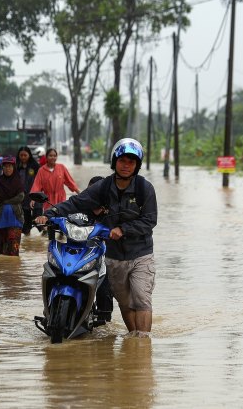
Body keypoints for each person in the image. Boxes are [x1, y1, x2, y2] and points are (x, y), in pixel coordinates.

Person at [36, 138, 157, 337]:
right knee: (125, 303)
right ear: (114, 162)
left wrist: (123, 229)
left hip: (140, 254)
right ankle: (133, 343)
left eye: (131, 162)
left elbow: (150, 220)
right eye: (122, 160)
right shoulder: (103, 187)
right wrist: (50, 214)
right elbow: (76, 202)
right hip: (114, 256)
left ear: (137, 166)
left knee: (141, 299)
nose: (126, 165)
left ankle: (141, 347)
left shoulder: (145, 189)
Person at [0, 156, 25, 256]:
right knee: (0, 253)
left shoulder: (18, 181)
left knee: (13, 252)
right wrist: (7, 199)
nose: (7, 169)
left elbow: (21, 197)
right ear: (2, 168)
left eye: (10, 166)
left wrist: (5, 200)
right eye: (5, 167)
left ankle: (12, 271)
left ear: (14, 168)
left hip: (15, 219)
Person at [29, 147, 79, 212]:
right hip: (48, 200)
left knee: (61, 217)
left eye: (55, 156)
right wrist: (33, 199)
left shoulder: (61, 167)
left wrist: (79, 192)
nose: (53, 157)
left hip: (61, 198)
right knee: (49, 217)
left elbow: (69, 181)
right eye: (50, 156)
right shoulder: (41, 170)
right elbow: (37, 185)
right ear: (46, 157)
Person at [16, 146, 40, 236]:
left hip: (35, 195)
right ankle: (27, 237)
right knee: (25, 218)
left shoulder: (35, 166)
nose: (23, 157)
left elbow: (40, 181)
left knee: (37, 217)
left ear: (29, 155)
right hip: (22, 196)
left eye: (25, 155)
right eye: (21, 155)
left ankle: (43, 232)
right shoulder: (16, 167)